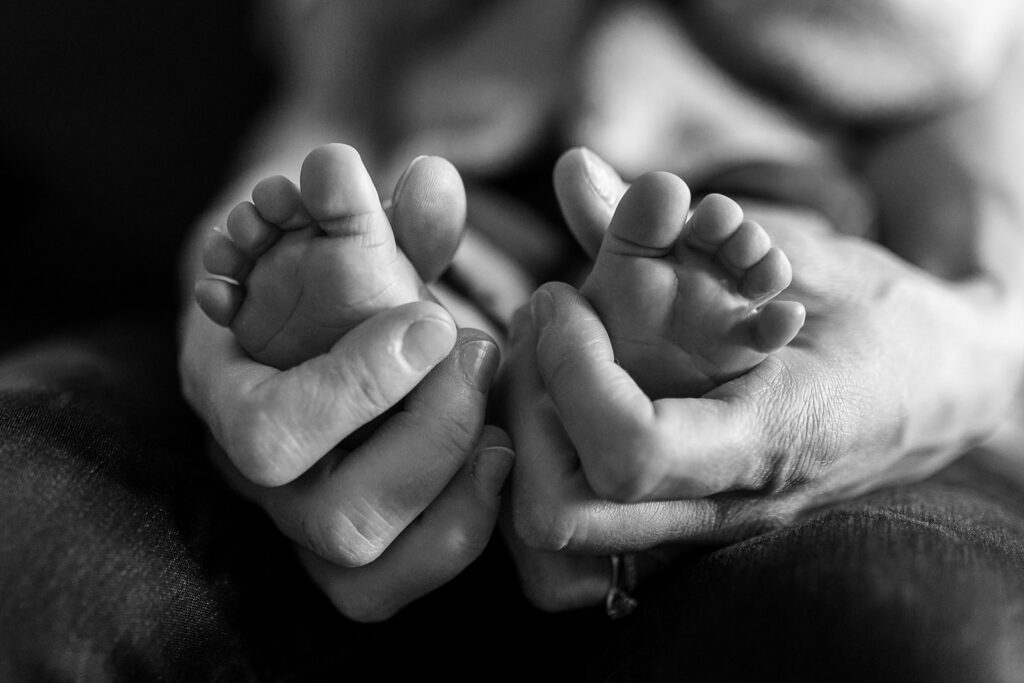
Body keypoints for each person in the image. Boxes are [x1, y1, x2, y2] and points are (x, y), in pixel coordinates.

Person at [5, 1, 1024, 681]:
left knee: (762, 246)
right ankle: (391, 319)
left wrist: (970, 321)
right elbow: (334, 65)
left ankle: (640, 339)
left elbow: (961, 99)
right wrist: (250, 229)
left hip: (763, 172)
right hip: (458, 166)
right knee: (419, 237)